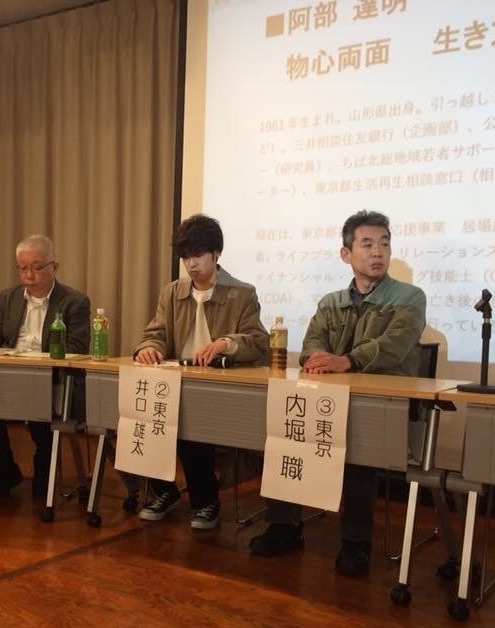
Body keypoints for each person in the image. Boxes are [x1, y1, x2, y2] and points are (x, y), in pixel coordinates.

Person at [248, 210, 427, 577]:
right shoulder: (330, 302)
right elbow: (312, 344)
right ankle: (284, 525)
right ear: (346, 254)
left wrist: (346, 361)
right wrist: (319, 360)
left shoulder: (410, 297)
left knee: (359, 449)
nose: (377, 252)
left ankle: (356, 543)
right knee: (287, 432)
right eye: (367, 244)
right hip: (328, 403)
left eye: (384, 244)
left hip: (381, 406)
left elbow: (394, 346)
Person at [132, 214, 269, 529]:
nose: (191, 264)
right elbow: (156, 333)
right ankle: (165, 492)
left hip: (220, 388)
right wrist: (149, 348)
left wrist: (226, 344)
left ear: (216, 254)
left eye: (198, 255)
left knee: (190, 424)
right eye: (185, 257)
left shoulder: (242, 293)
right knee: (143, 415)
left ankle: (206, 501)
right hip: (178, 382)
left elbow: (259, 342)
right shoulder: (172, 292)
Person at [0, 234, 90, 499]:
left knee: (39, 400)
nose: (29, 275)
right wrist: (4, 356)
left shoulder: (74, 301)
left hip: (53, 379)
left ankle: (44, 466)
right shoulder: (8, 297)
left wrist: (36, 362)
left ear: (55, 267)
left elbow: (76, 348)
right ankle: (5, 468)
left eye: (37, 267)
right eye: (23, 268)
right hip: (11, 374)